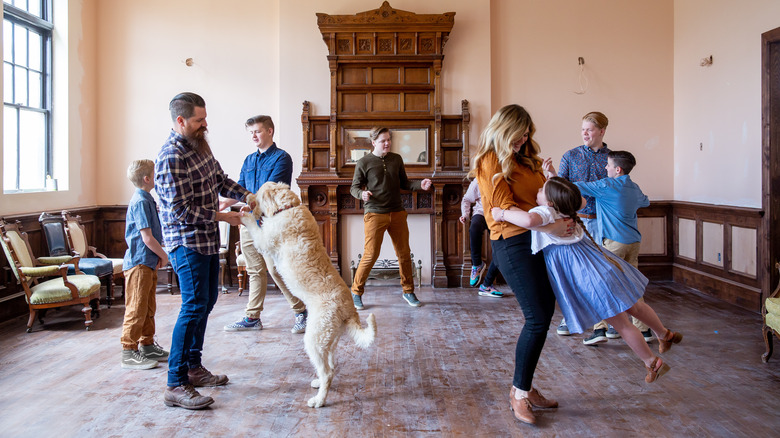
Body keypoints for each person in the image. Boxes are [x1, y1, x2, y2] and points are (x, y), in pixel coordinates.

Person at [492, 176, 683, 385]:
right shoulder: (570, 206)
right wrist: (553, 179)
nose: (536, 190)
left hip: (590, 277)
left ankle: (651, 362)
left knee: (621, 324)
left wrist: (501, 213)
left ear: (550, 202)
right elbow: (580, 200)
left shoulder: (544, 212)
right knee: (635, 305)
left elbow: (528, 221)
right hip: (603, 266)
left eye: (541, 190)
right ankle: (664, 333)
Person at [469, 104, 571, 425]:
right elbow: (504, 208)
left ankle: (525, 385)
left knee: (544, 312)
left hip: (539, 240)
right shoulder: (489, 161)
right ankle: (519, 393)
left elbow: (547, 197)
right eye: (519, 133)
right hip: (511, 243)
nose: (524, 138)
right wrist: (545, 222)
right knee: (537, 318)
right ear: (503, 129)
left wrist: (553, 178)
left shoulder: (529, 160)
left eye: (527, 133)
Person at [156, 92, 250, 410]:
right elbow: (180, 210)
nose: (205, 124)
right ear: (180, 121)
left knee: (206, 302)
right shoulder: (171, 156)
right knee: (193, 306)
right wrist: (224, 216)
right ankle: (175, 383)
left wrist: (250, 196)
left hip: (207, 240)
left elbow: (220, 180)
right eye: (199, 120)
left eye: (204, 117)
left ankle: (193, 369)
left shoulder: (200, 146)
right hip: (186, 243)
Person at [555, 111, 650, 345]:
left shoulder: (613, 159)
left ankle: (609, 324)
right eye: (582, 130)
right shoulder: (571, 156)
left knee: (605, 275)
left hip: (605, 224)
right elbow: (560, 187)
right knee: (576, 271)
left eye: (589, 129)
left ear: (602, 131)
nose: (584, 134)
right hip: (577, 220)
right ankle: (573, 318)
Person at [222, 115, 308, 334]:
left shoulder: (282, 158)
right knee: (254, 270)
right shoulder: (249, 160)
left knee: (276, 269)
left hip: (270, 222)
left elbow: (270, 191)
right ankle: (252, 317)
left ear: (270, 131)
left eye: (257, 131)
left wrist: (250, 205)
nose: (253, 136)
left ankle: (302, 312)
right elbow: (241, 187)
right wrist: (225, 203)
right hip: (248, 222)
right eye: (250, 132)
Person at [574, 150, 654, 341]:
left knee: (600, 284)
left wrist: (551, 176)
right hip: (633, 242)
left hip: (613, 243)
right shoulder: (634, 187)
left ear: (617, 169)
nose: (605, 167)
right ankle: (643, 329)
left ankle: (599, 329)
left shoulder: (606, 185)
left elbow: (577, 186)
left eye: (608, 165)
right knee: (632, 285)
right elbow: (646, 201)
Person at [350, 127, 432, 309]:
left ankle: (408, 291)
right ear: (373, 143)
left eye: (388, 140)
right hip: (374, 213)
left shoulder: (396, 159)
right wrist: (361, 194)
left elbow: (405, 183)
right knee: (370, 255)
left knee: (404, 254)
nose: (387, 143)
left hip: (397, 213)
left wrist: (421, 185)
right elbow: (353, 187)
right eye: (382, 141)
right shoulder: (363, 162)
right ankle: (356, 292)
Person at [120, 159, 169, 370]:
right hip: (139, 262)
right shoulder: (140, 201)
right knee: (136, 308)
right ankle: (128, 351)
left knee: (148, 306)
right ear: (148, 179)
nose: (158, 176)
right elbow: (146, 238)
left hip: (147, 262)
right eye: (156, 173)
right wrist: (164, 255)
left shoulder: (147, 199)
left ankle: (147, 344)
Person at [460, 179, 503, 297]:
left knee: (500, 250)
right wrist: (465, 214)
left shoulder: (503, 177)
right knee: (474, 228)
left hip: (498, 216)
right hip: (481, 213)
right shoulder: (478, 180)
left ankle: (487, 285)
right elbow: (467, 199)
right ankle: (477, 264)